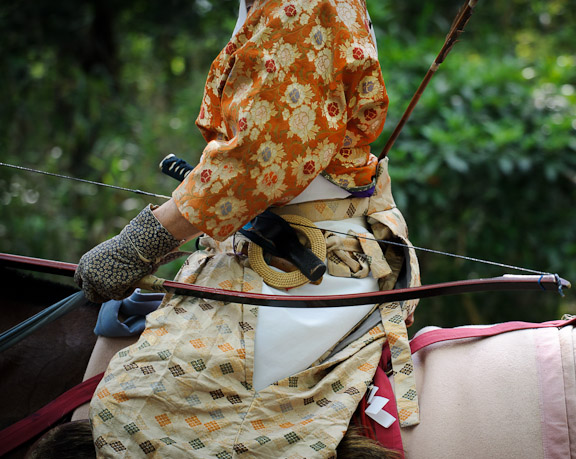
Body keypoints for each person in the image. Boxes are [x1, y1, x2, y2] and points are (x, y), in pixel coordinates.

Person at [75, 0, 421, 456]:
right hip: (271, 232)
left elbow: (261, 157)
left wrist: (142, 241)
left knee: (129, 414)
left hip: (305, 260)